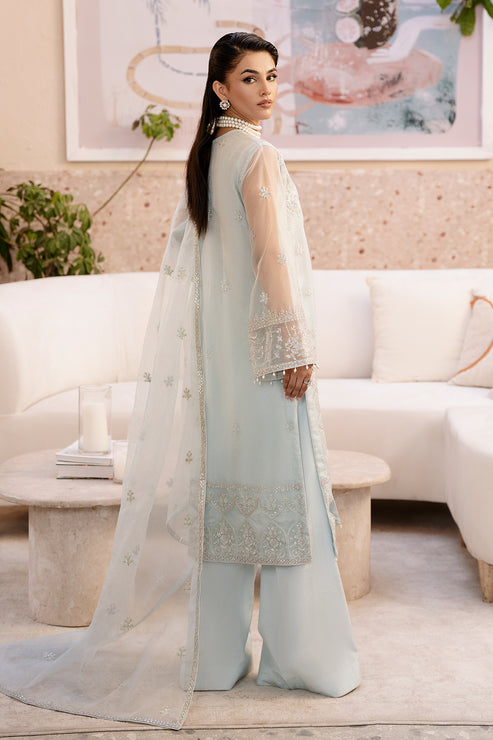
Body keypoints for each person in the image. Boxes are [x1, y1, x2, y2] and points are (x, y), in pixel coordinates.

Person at [0, 32, 360, 729]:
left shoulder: (208, 155)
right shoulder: (256, 155)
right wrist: (292, 347)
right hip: (264, 361)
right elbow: (270, 257)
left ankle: (214, 661)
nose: (266, 90)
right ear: (220, 89)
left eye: (271, 76)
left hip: (222, 372)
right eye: (249, 78)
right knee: (289, 508)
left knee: (229, 508)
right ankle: (304, 660)